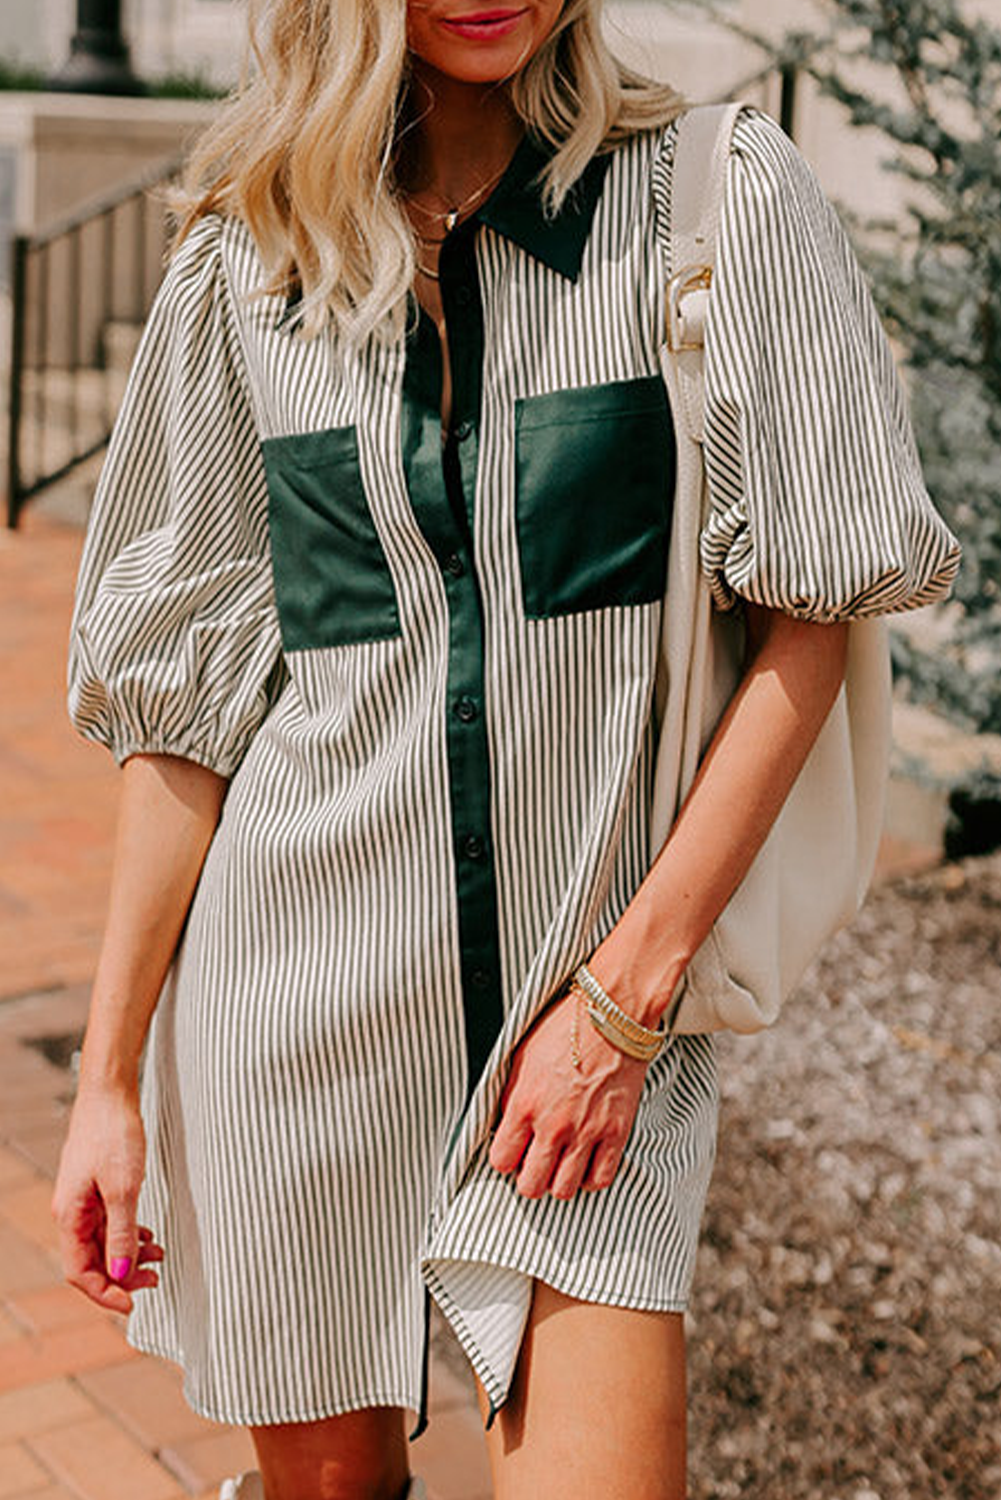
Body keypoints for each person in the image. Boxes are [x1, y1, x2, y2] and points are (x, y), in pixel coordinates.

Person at [52, 1, 960, 1497]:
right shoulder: (246, 266)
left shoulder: (718, 205)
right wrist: (106, 1083)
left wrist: (622, 1002)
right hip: (291, 1024)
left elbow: (816, 614)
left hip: (593, 1018)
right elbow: (188, 715)